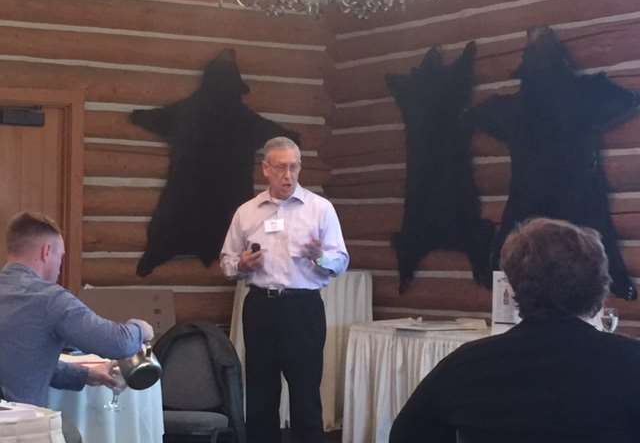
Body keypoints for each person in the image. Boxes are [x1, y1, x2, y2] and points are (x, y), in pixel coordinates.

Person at [389, 218, 640, 443]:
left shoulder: (466, 363)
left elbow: (406, 435)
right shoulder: (631, 361)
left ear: (511, 287)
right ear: (599, 287)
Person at [220, 136, 349, 443]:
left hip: (303, 308)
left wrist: (320, 256)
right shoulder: (247, 212)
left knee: (305, 392)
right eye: (280, 168)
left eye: (294, 167)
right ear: (265, 169)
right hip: (261, 307)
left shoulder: (320, 209)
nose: (288, 175)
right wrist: (242, 265)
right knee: (261, 393)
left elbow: (341, 261)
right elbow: (226, 262)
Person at [0, 211, 154, 409]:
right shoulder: (49, 299)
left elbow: (22, 363)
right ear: (46, 251)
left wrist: (85, 375)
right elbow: (117, 343)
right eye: (60, 257)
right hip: (17, 423)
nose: (59, 268)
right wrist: (140, 329)